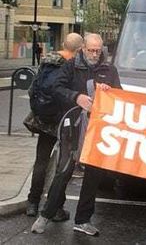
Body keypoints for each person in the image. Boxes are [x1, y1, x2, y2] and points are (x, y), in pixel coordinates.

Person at [31, 33, 121, 235]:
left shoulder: (109, 69)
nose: (95, 54)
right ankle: (46, 215)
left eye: (98, 50)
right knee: (64, 170)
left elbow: (119, 95)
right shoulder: (71, 66)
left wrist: (109, 91)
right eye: (91, 50)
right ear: (83, 48)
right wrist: (76, 97)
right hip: (73, 127)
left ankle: (83, 220)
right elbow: (56, 88)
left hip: (97, 129)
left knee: (93, 175)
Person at [25, 33, 84, 218]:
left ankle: (32, 203)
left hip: (44, 120)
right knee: (62, 166)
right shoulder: (71, 66)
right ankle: (56, 208)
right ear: (78, 49)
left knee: (41, 162)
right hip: (63, 122)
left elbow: (32, 89)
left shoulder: (46, 61)